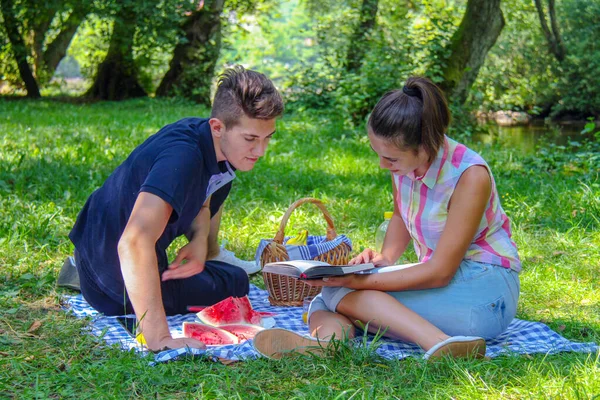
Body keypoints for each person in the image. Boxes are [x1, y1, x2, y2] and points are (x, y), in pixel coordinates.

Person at [253, 76, 521, 360]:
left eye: (391, 159)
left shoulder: (469, 176)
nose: (383, 165)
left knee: (342, 294)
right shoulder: (406, 165)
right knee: (329, 295)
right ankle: (325, 345)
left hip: (487, 294)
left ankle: (440, 342)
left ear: (427, 146)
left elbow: (440, 271)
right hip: (444, 282)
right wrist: (385, 259)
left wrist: (360, 282)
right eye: (377, 154)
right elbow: (401, 214)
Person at [69, 66, 284, 352]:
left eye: (267, 137)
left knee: (230, 278)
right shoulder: (183, 160)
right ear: (218, 127)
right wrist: (159, 338)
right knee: (234, 282)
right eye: (251, 139)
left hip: (99, 248)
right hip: (111, 281)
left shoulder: (213, 142)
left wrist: (197, 241)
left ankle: (81, 270)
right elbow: (133, 243)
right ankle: (87, 280)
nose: (261, 151)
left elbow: (203, 200)